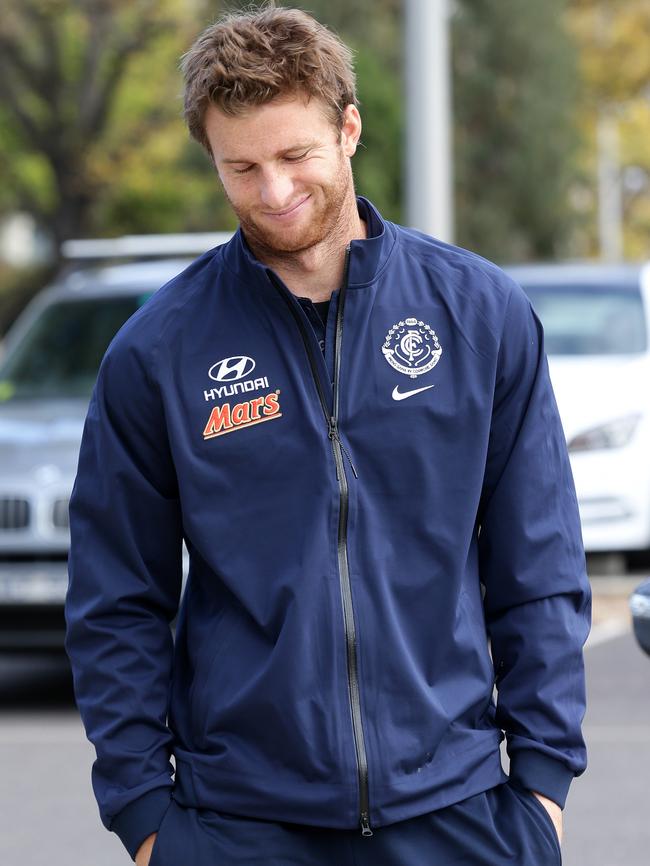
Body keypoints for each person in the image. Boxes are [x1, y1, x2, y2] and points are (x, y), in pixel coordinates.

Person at [65, 6, 591, 865]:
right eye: (242, 167)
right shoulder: (158, 352)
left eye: (296, 156)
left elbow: (539, 567)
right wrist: (146, 820)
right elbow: (116, 599)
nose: (273, 192)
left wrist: (540, 789)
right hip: (237, 823)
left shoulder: (478, 315)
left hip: (458, 813)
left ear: (348, 129)